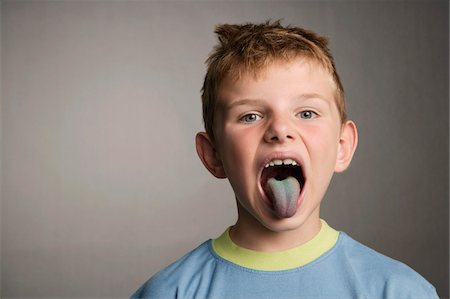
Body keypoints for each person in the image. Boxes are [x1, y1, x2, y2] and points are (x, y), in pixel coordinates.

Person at [131, 20, 438, 298]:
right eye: (250, 115)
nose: (280, 129)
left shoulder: (399, 291)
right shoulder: (170, 293)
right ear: (214, 156)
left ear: (342, 146)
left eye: (306, 113)